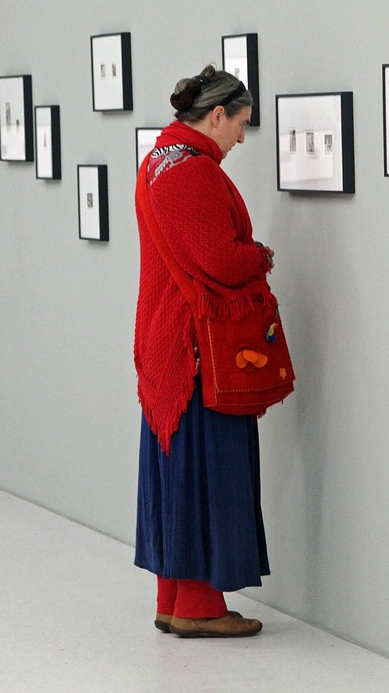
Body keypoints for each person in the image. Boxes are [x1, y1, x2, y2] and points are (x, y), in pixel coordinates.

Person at [133, 66, 275, 638]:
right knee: (204, 470)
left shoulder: (158, 161)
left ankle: (173, 599)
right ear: (216, 115)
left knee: (175, 470)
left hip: (166, 340)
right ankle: (198, 608)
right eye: (241, 123)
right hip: (196, 347)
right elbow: (219, 261)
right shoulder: (192, 172)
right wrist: (259, 255)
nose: (242, 137)